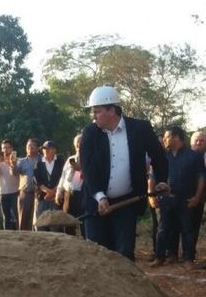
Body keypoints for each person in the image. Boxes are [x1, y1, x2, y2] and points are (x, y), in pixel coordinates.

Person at [80, 85, 168, 260]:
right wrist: (100, 196)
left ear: (112, 110)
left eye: (97, 111)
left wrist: (162, 180)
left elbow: (158, 156)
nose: (93, 116)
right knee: (98, 254)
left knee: (124, 253)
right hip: (96, 204)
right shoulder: (90, 133)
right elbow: (88, 170)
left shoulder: (140, 129)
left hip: (127, 203)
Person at [150, 127, 205, 269]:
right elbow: (152, 177)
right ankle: (160, 257)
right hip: (166, 200)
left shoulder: (193, 156)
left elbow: (201, 178)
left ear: (176, 138)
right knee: (163, 229)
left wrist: (197, 197)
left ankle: (188, 259)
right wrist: (151, 196)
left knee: (187, 229)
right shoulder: (162, 156)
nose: (164, 140)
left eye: (167, 137)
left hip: (185, 199)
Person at [56, 134, 84, 236]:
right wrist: (59, 191)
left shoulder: (89, 158)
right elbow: (63, 176)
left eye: (81, 142)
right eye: (77, 142)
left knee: (83, 221)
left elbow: (91, 175)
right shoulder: (70, 159)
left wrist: (80, 169)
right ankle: (69, 244)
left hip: (82, 194)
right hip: (68, 194)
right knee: (68, 223)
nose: (78, 144)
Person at [34, 140, 65, 231]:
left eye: (48, 149)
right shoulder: (38, 163)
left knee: (55, 226)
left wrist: (53, 192)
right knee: (41, 225)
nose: (46, 151)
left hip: (56, 198)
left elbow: (62, 178)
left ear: (54, 150)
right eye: (44, 149)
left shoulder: (60, 162)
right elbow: (37, 180)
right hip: (42, 198)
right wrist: (48, 191)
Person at [14, 138, 40, 230]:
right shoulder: (21, 161)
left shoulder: (42, 160)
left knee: (38, 220)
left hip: (40, 194)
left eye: (33, 145)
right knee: (23, 219)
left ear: (38, 148)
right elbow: (14, 172)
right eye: (28, 146)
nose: (30, 147)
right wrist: (12, 164)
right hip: (25, 194)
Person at [0, 139, 19, 230]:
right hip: (3, 193)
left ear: (12, 148)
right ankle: (7, 235)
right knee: (6, 218)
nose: (5, 150)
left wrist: (12, 163)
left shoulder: (17, 160)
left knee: (16, 217)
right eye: (3, 148)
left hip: (15, 192)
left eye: (7, 148)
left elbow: (14, 173)